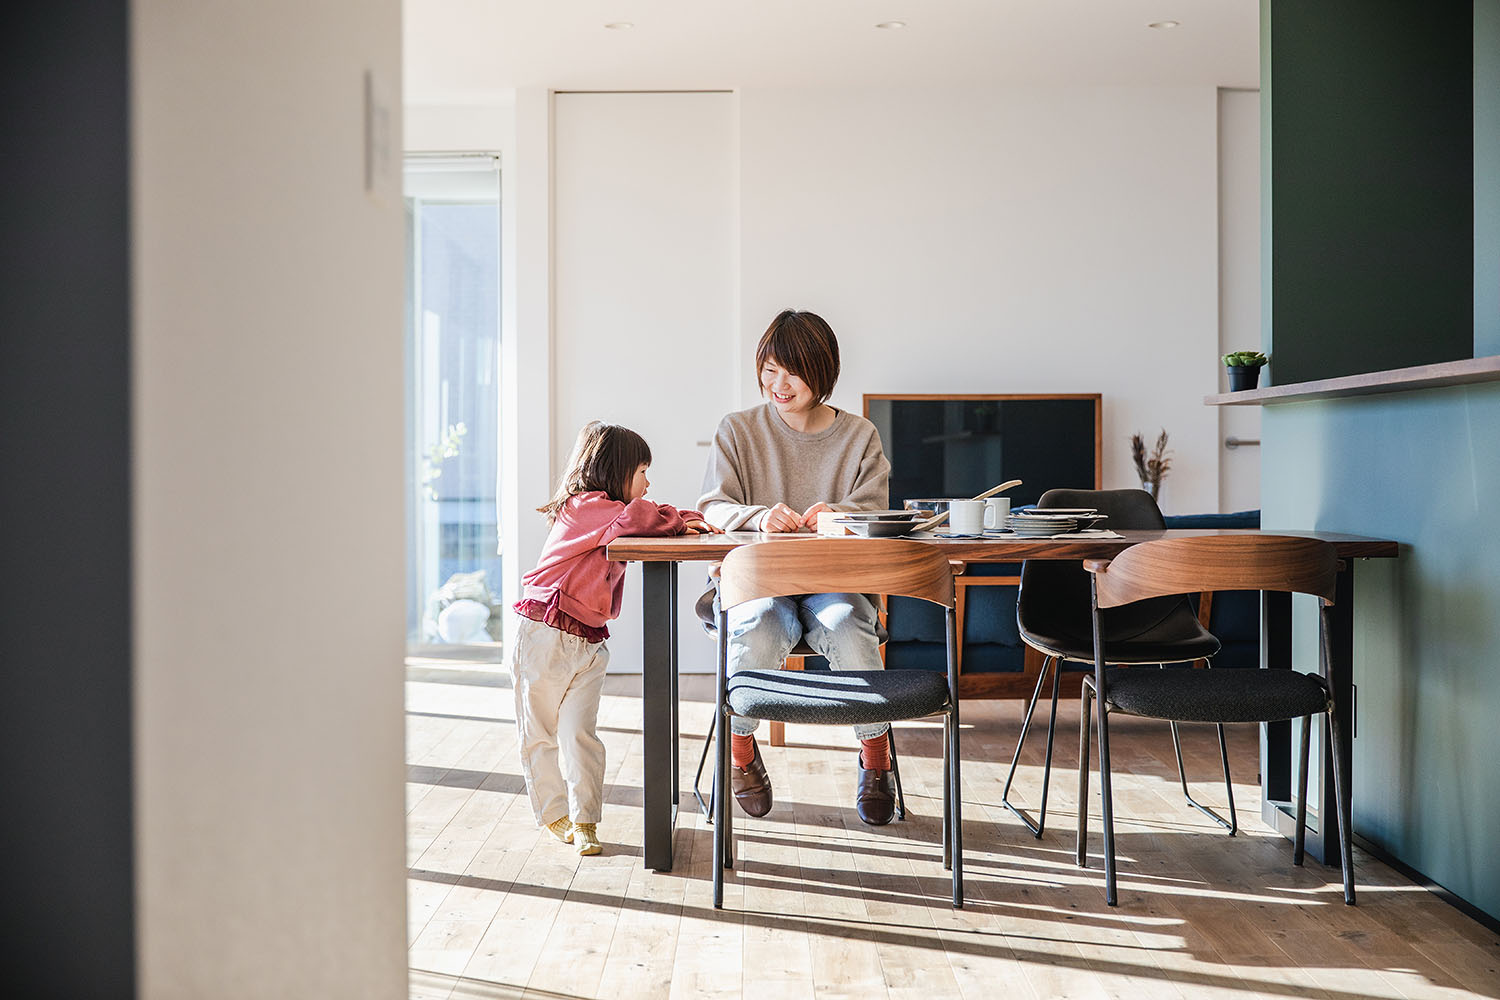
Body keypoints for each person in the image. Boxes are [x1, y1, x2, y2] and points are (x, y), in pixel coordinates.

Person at [697, 309, 899, 825]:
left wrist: (841, 515)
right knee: (760, 625)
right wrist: (761, 514)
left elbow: (876, 509)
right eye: (768, 369)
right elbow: (712, 508)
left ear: (822, 370)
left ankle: (875, 759)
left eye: (792, 372)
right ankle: (740, 751)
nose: (777, 384)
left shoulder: (860, 436)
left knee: (848, 628)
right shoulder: (738, 430)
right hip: (757, 581)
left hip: (835, 582)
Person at [513, 420, 721, 855]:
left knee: (581, 735)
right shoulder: (583, 507)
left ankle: (585, 819)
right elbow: (639, 518)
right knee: (540, 733)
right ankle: (555, 813)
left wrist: (685, 520)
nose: (649, 482)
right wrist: (679, 519)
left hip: (587, 642)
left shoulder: (610, 516)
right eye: (643, 471)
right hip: (545, 636)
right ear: (616, 471)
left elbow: (643, 519)